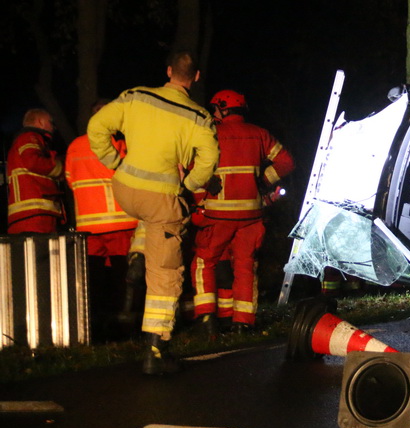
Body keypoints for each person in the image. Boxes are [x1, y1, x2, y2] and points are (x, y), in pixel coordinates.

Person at [88, 51, 219, 374]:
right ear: (196, 77)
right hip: (160, 198)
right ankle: (156, 351)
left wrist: (114, 162)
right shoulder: (199, 116)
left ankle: (138, 253)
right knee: (166, 274)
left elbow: (96, 126)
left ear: (169, 71)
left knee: (153, 221)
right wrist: (189, 184)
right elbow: (208, 159)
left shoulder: (136, 96)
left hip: (125, 189)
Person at [190, 89, 294, 332]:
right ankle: (243, 323)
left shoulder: (211, 134)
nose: (214, 113)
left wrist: (202, 193)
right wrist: (264, 180)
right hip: (252, 215)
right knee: (245, 267)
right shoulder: (259, 134)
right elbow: (286, 162)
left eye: (216, 109)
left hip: (218, 215)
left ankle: (206, 318)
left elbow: (194, 171)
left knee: (204, 262)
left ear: (223, 108)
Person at [65, 100, 145, 341]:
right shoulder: (119, 144)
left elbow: (70, 180)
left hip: (88, 226)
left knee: (94, 278)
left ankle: (97, 326)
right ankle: (126, 325)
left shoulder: (74, 146)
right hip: (120, 222)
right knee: (125, 277)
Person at [6, 108, 64, 234]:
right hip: (35, 215)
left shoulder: (25, 140)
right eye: (51, 122)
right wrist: (60, 167)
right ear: (40, 122)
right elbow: (33, 162)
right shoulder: (30, 137)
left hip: (33, 215)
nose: (54, 127)